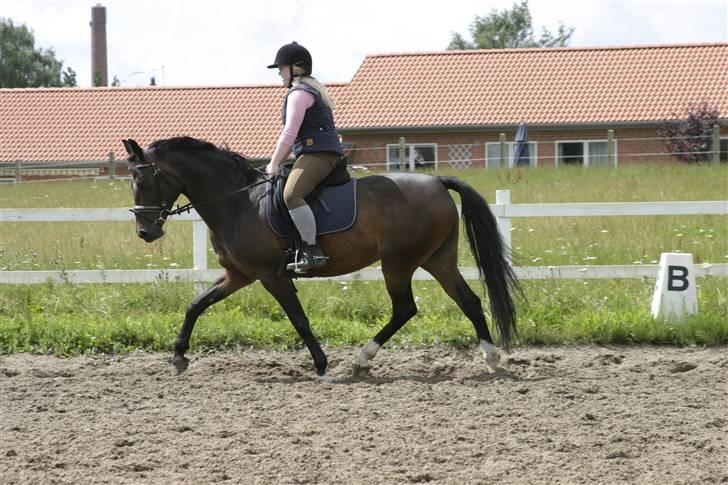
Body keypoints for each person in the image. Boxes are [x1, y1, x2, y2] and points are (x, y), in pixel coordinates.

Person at [266, 41, 343, 273]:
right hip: (316, 152)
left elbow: (289, 133)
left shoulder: (299, 94)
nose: (279, 73)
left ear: (296, 69)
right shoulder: (311, 89)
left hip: (318, 155)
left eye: (282, 68)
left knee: (291, 194)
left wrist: (274, 162)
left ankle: (312, 250)